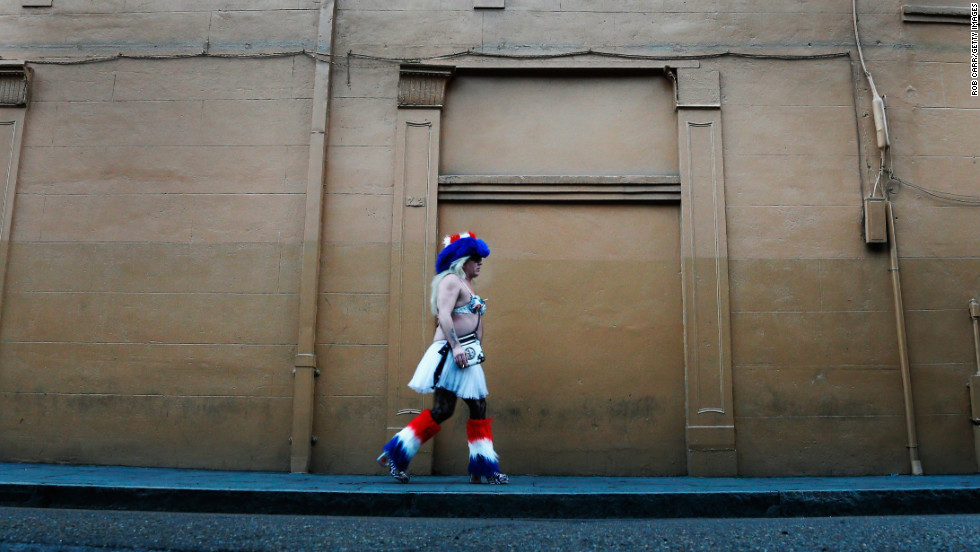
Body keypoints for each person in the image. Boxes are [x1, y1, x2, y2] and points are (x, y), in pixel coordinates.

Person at [376, 232, 508, 485]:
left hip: (466, 354)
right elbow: (444, 315)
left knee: (471, 407)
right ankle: (397, 454)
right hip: (451, 353)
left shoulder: (467, 284)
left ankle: (481, 467)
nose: (480, 262)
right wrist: (457, 347)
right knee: (447, 409)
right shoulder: (451, 281)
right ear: (462, 260)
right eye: (476, 258)